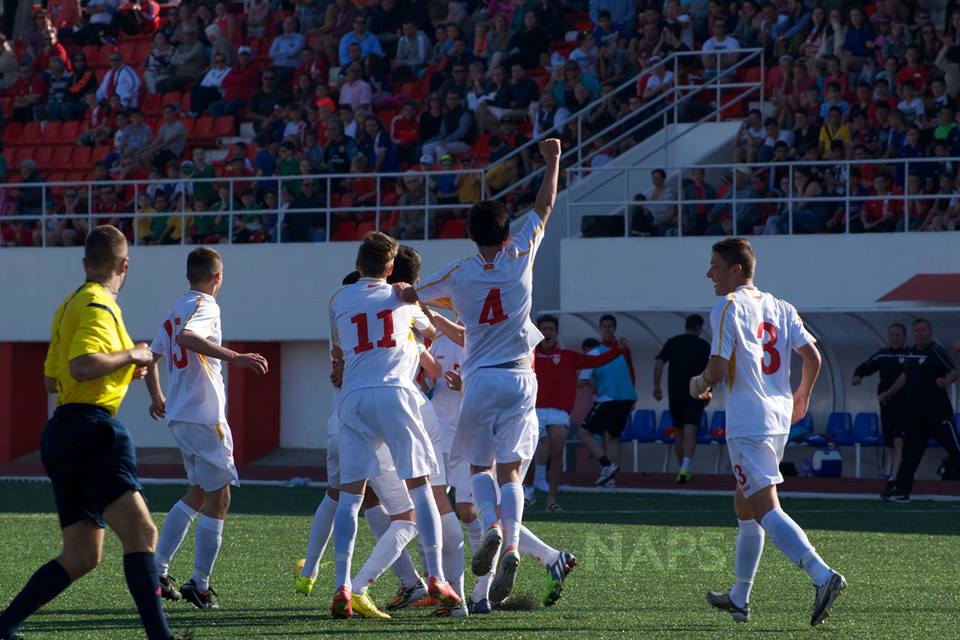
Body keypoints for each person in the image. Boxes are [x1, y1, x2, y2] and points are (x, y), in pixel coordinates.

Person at [0, 226, 188, 640]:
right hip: (92, 428)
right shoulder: (99, 305)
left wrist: (122, 363)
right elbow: (82, 366)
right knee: (142, 532)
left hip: (61, 432)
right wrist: (133, 353)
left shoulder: (69, 304)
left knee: (83, 554)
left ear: (85, 263)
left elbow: (52, 380)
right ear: (125, 265)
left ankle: (3, 627)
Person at [410, 138, 562, 604]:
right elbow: (545, 203)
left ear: (472, 235)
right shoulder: (521, 255)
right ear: (505, 231)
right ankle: (513, 544)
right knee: (512, 472)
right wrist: (553, 160)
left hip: (480, 377)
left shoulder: (459, 272)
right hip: (521, 377)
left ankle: (493, 527)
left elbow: (414, 293)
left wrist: (408, 298)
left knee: (480, 467)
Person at [691, 237, 846, 625]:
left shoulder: (727, 306)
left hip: (748, 421)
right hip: (777, 419)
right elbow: (812, 356)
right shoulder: (781, 306)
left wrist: (698, 384)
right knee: (745, 507)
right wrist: (802, 396)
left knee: (765, 507)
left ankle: (822, 574)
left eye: (715, 266)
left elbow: (715, 366)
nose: (709, 273)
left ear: (736, 270)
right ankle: (739, 597)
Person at [327, 232, 461, 619]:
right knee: (420, 487)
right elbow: (432, 334)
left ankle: (342, 586)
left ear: (357, 264)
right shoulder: (401, 294)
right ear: (390, 268)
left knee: (350, 497)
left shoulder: (338, 298)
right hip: (396, 394)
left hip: (353, 399)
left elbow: (339, 348)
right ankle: (436, 577)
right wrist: (410, 296)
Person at [145, 248, 268, 610]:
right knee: (220, 497)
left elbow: (151, 357)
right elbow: (187, 339)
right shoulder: (206, 305)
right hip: (202, 415)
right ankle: (199, 583)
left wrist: (157, 396)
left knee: (198, 492)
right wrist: (236, 357)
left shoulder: (172, 311)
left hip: (182, 415)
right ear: (217, 277)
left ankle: (157, 570)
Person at [531, 314, 626, 511]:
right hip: (534, 410)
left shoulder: (568, 356)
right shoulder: (529, 355)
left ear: (556, 333)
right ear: (538, 332)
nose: (547, 333)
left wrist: (619, 350)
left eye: (551, 329)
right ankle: (527, 491)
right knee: (527, 454)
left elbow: (598, 361)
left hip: (559, 412)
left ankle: (551, 500)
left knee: (557, 453)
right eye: (544, 329)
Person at [879, 320, 960, 502]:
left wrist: (945, 381)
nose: (920, 333)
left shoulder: (935, 351)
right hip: (916, 415)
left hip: (939, 414)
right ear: (912, 334)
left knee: (955, 451)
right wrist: (889, 393)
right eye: (916, 330)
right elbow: (905, 376)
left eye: (923, 330)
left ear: (929, 332)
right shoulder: (911, 353)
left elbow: (954, 372)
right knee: (910, 455)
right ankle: (901, 492)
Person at [577, 314, 638, 487]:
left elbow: (581, 381)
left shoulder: (598, 352)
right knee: (612, 437)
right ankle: (610, 478)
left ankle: (607, 464)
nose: (607, 329)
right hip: (625, 399)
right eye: (604, 326)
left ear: (614, 329)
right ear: (600, 328)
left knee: (584, 432)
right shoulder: (621, 350)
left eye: (610, 326)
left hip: (610, 399)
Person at [654, 314, 711, 483]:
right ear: (699, 328)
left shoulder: (673, 342)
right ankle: (685, 466)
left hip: (675, 392)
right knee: (690, 431)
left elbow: (659, 362)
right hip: (696, 392)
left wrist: (656, 385)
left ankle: (683, 469)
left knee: (678, 431)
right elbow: (709, 372)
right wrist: (708, 393)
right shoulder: (703, 345)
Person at [852, 323, 908, 480]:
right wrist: (858, 376)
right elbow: (865, 366)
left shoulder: (911, 354)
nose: (895, 338)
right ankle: (896, 471)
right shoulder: (883, 355)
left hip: (906, 406)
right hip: (887, 406)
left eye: (898, 335)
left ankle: (896, 475)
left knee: (899, 441)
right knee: (891, 442)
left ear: (904, 337)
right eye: (892, 335)